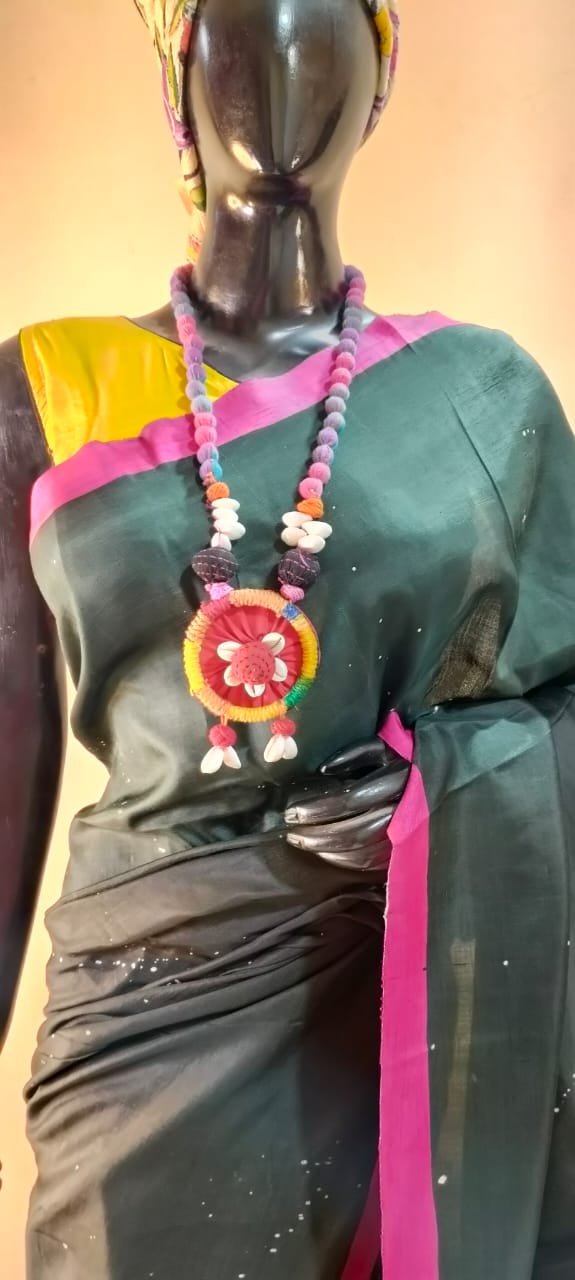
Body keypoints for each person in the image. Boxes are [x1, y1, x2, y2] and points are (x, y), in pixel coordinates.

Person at [0, 2, 574, 1277]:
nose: (282, 70)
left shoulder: (482, 398)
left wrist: (437, 797)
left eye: (324, 31)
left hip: (406, 1017)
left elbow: (561, 697)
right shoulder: (43, 387)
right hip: (142, 1022)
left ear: (380, 80)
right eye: (239, 33)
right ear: (176, 77)